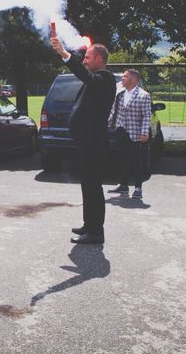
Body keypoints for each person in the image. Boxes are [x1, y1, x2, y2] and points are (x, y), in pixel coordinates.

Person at [51, 37, 116, 244]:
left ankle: (96, 232)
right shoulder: (96, 78)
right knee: (87, 186)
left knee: (93, 188)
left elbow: (84, 75)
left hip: (95, 143)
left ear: (98, 58)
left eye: (88, 57)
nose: (85, 61)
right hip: (88, 142)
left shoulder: (104, 78)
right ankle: (89, 226)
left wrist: (64, 54)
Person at [108, 69, 152, 198]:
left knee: (137, 161)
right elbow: (114, 110)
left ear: (133, 80)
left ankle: (138, 188)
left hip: (135, 132)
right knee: (122, 159)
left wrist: (144, 133)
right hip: (121, 130)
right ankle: (123, 185)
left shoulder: (143, 95)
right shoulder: (120, 93)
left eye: (125, 76)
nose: (122, 78)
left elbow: (146, 116)